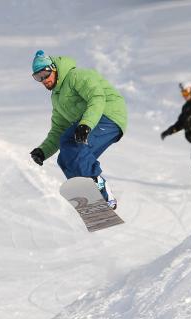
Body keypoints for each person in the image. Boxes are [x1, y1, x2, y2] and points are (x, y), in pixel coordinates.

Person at [29, 50, 127, 209]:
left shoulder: (76, 76)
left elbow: (97, 97)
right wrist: (43, 151)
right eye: (38, 78)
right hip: (91, 122)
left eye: (45, 74)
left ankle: (102, 190)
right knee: (65, 158)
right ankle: (90, 197)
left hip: (109, 114)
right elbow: (58, 129)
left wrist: (86, 124)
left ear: (53, 68)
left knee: (72, 145)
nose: (44, 80)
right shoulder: (56, 97)